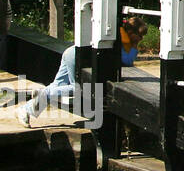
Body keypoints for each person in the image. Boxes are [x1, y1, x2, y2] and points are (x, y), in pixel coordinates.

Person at [17, 17, 147, 127]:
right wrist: (135, 45)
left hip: (71, 52)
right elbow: (128, 60)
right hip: (77, 57)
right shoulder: (122, 37)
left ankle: (32, 104)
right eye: (140, 35)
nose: (141, 38)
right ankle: (30, 105)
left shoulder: (118, 32)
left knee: (57, 86)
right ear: (131, 32)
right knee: (78, 88)